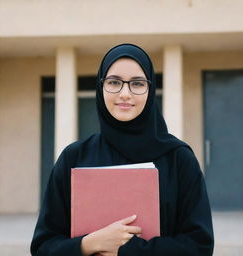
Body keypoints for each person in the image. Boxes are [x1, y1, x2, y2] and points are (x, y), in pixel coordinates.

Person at [30, 43, 214, 256]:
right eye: (114, 82)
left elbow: (199, 247)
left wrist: (128, 250)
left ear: (150, 89)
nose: (125, 93)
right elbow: (43, 247)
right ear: (100, 87)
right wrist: (89, 244)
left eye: (137, 83)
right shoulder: (74, 158)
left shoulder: (178, 159)